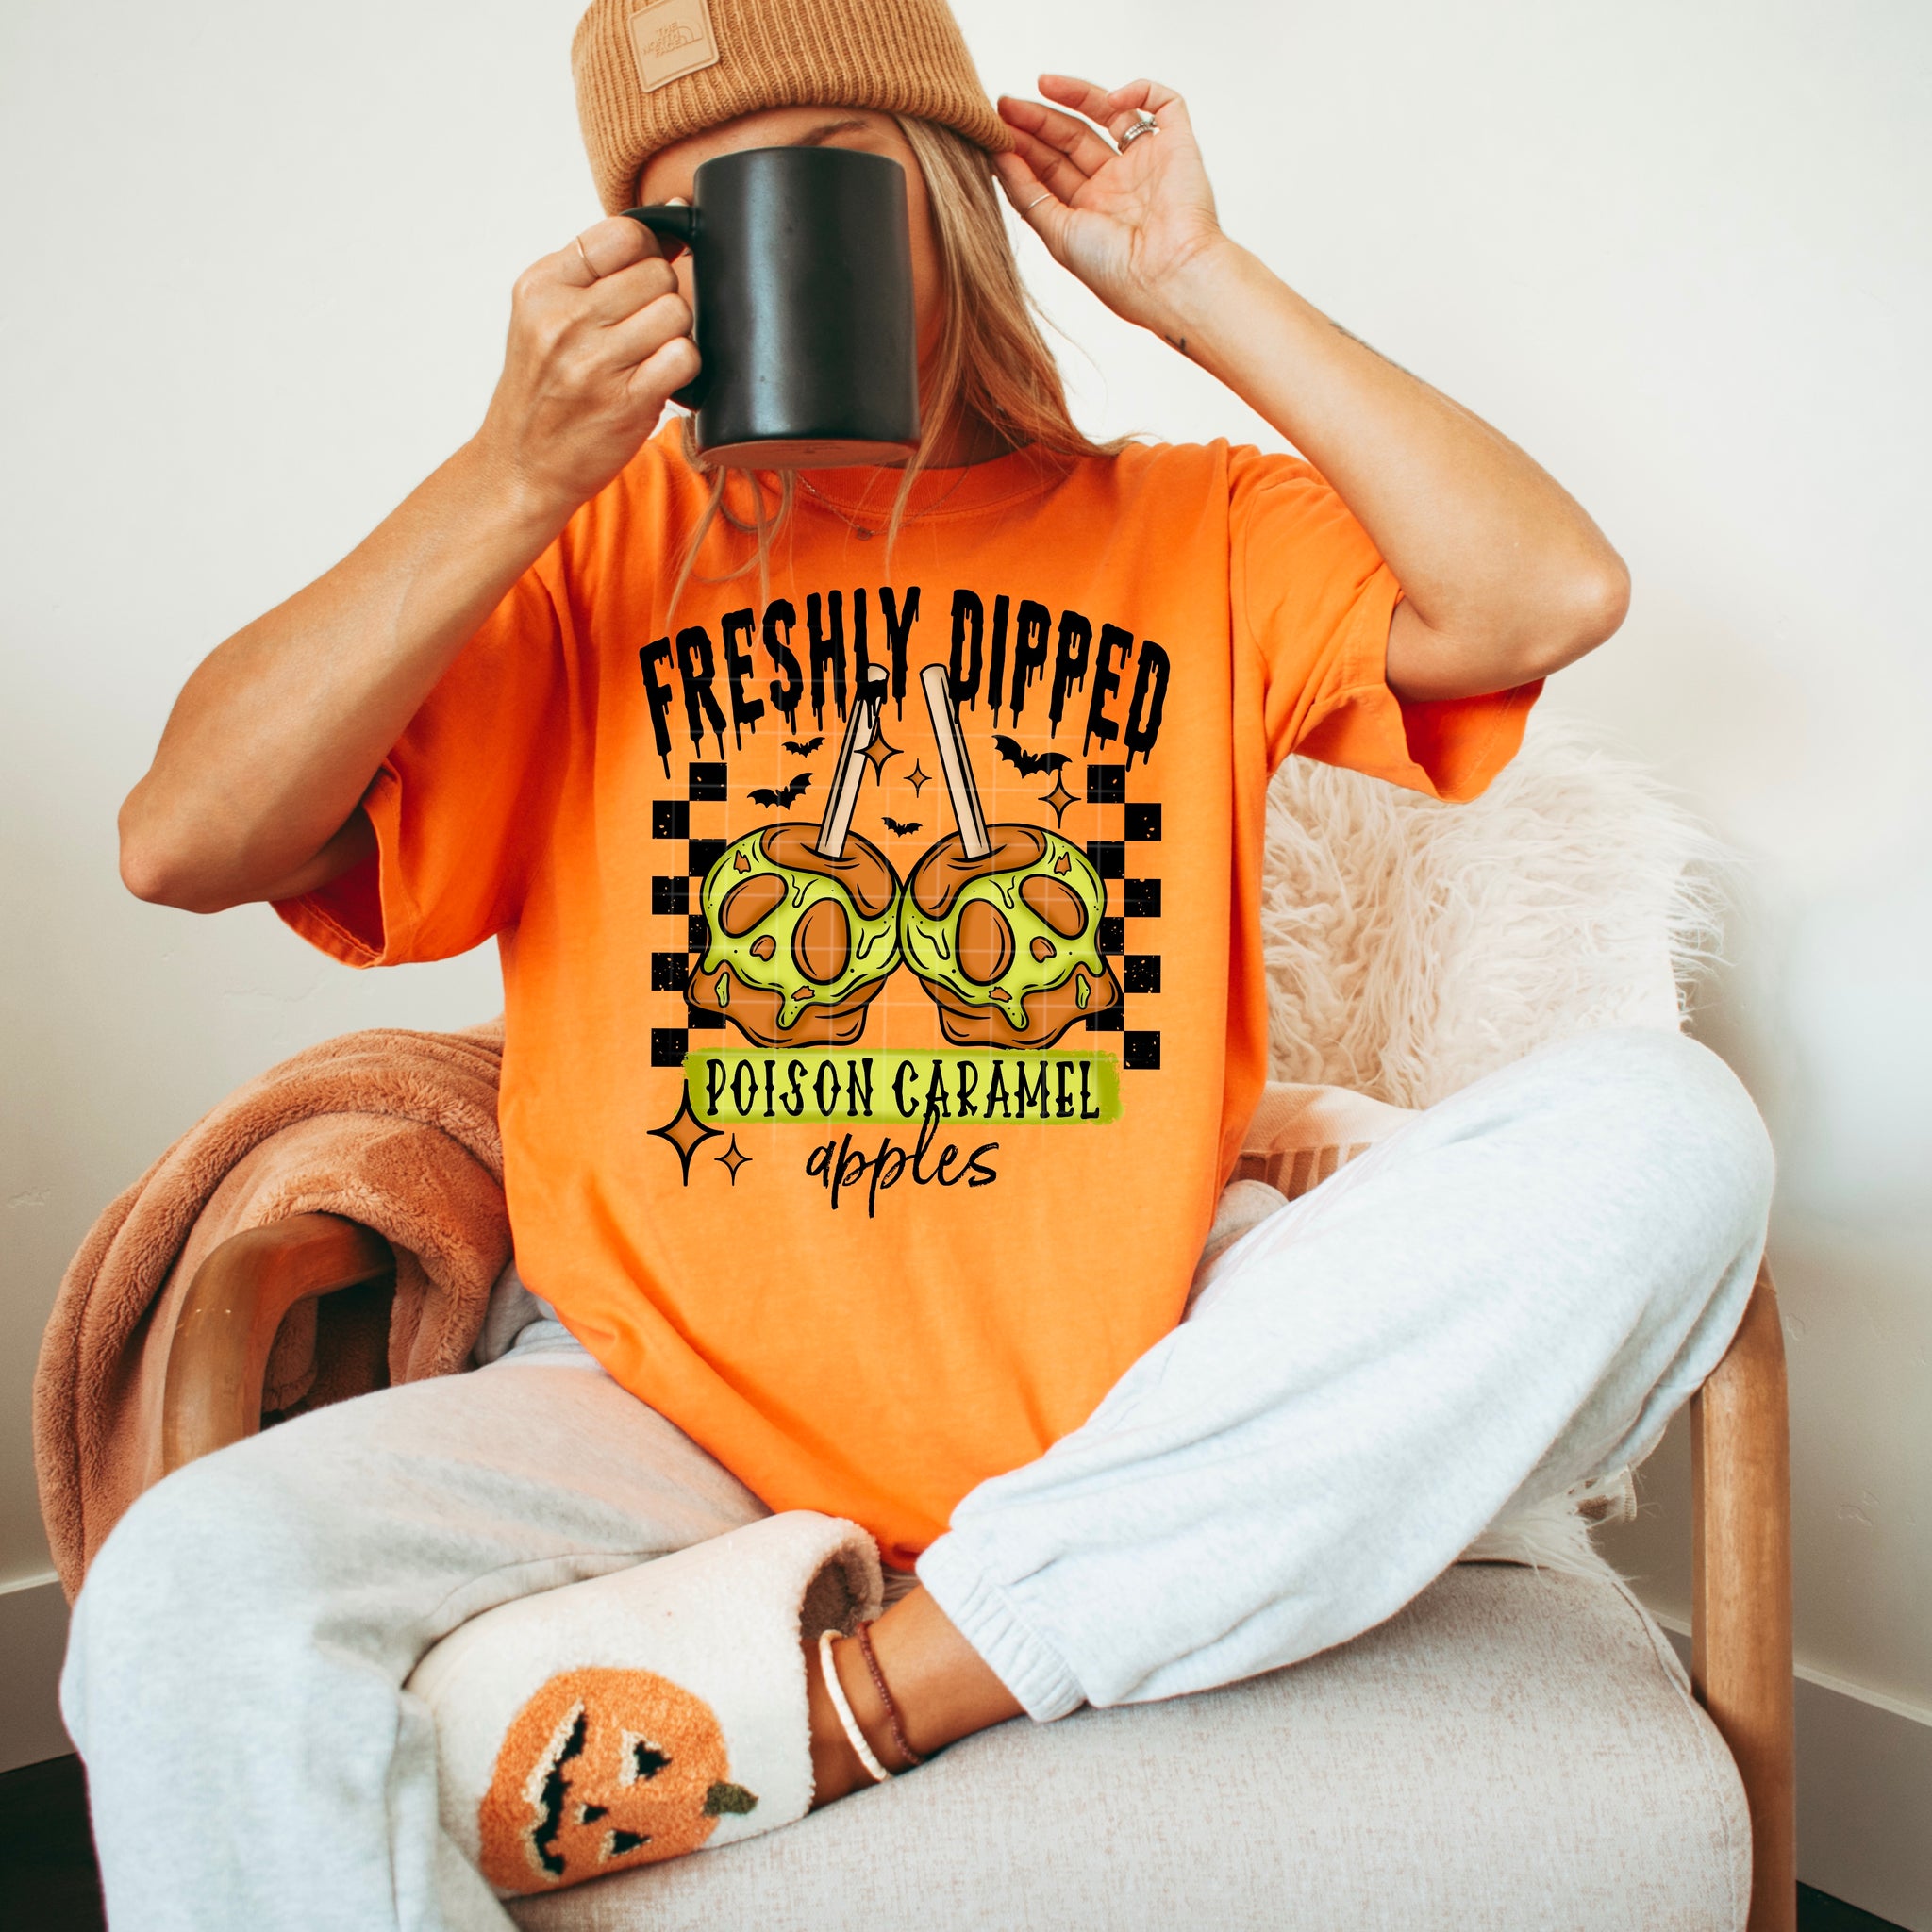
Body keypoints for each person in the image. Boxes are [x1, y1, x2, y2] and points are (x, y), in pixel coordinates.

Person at [65, 0, 1774, 1925]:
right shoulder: (579, 559)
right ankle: (1009, 1624)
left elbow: (1547, 592)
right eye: (696, 219)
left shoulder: (1195, 528)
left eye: (825, 185)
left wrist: (1195, 281)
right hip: (651, 1415)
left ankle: (881, 1690)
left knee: (1667, 1131)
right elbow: (182, 838)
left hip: (1133, 1398)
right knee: (186, 1585)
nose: (764, 250)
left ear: (954, 196)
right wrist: (510, 472)